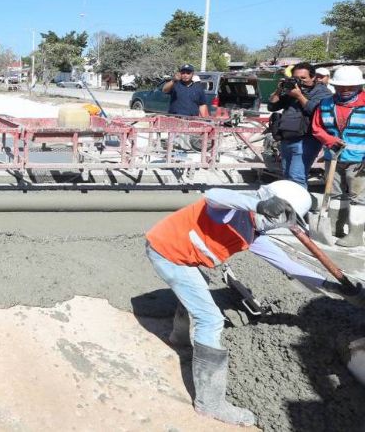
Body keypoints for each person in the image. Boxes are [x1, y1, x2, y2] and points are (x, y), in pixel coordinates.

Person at [145, 180, 363, 426]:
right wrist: (258, 204)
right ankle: (210, 403)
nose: (279, 221)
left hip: (184, 255)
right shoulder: (229, 210)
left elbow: (289, 266)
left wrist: (331, 286)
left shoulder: (253, 233)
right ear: (269, 202)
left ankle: (178, 338)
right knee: (211, 318)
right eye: (281, 214)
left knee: (196, 296)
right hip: (168, 253)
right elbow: (213, 194)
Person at [311, 65, 365, 247]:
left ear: (358, 86)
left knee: (358, 197)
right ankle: (334, 227)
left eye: (349, 88)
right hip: (333, 156)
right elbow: (317, 127)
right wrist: (329, 139)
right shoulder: (326, 103)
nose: (344, 91)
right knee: (334, 193)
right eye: (341, 87)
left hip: (360, 161)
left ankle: (356, 234)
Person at [267, 62, 332, 188]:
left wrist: (299, 96)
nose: (300, 81)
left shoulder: (322, 92)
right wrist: (279, 89)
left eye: (303, 78)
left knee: (297, 176)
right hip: (287, 138)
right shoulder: (291, 89)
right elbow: (272, 106)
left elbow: (316, 111)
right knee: (287, 175)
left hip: (307, 140)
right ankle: (289, 204)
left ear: (313, 77)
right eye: (297, 78)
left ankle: (300, 206)